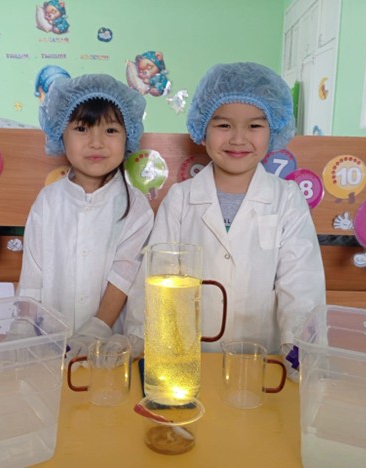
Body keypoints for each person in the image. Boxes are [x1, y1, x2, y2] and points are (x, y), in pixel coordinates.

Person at [124, 62, 326, 368]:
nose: (238, 139)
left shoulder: (287, 199)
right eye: (223, 125)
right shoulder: (181, 199)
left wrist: (300, 347)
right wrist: (141, 338)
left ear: (273, 130)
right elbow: (156, 275)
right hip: (188, 361)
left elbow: (301, 283)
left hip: (264, 362)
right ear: (202, 130)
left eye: (254, 126)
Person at [18, 73, 153, 359]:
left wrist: (98, 328)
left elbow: (124, 275)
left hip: (108, 349)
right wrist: (22, 327)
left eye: (111, 130)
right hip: (48, 347)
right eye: (82, 128)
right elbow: (32, 276)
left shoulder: (136, 207)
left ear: (128, 136)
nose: (96, 142)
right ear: (60, 134)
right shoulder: (47, 202)